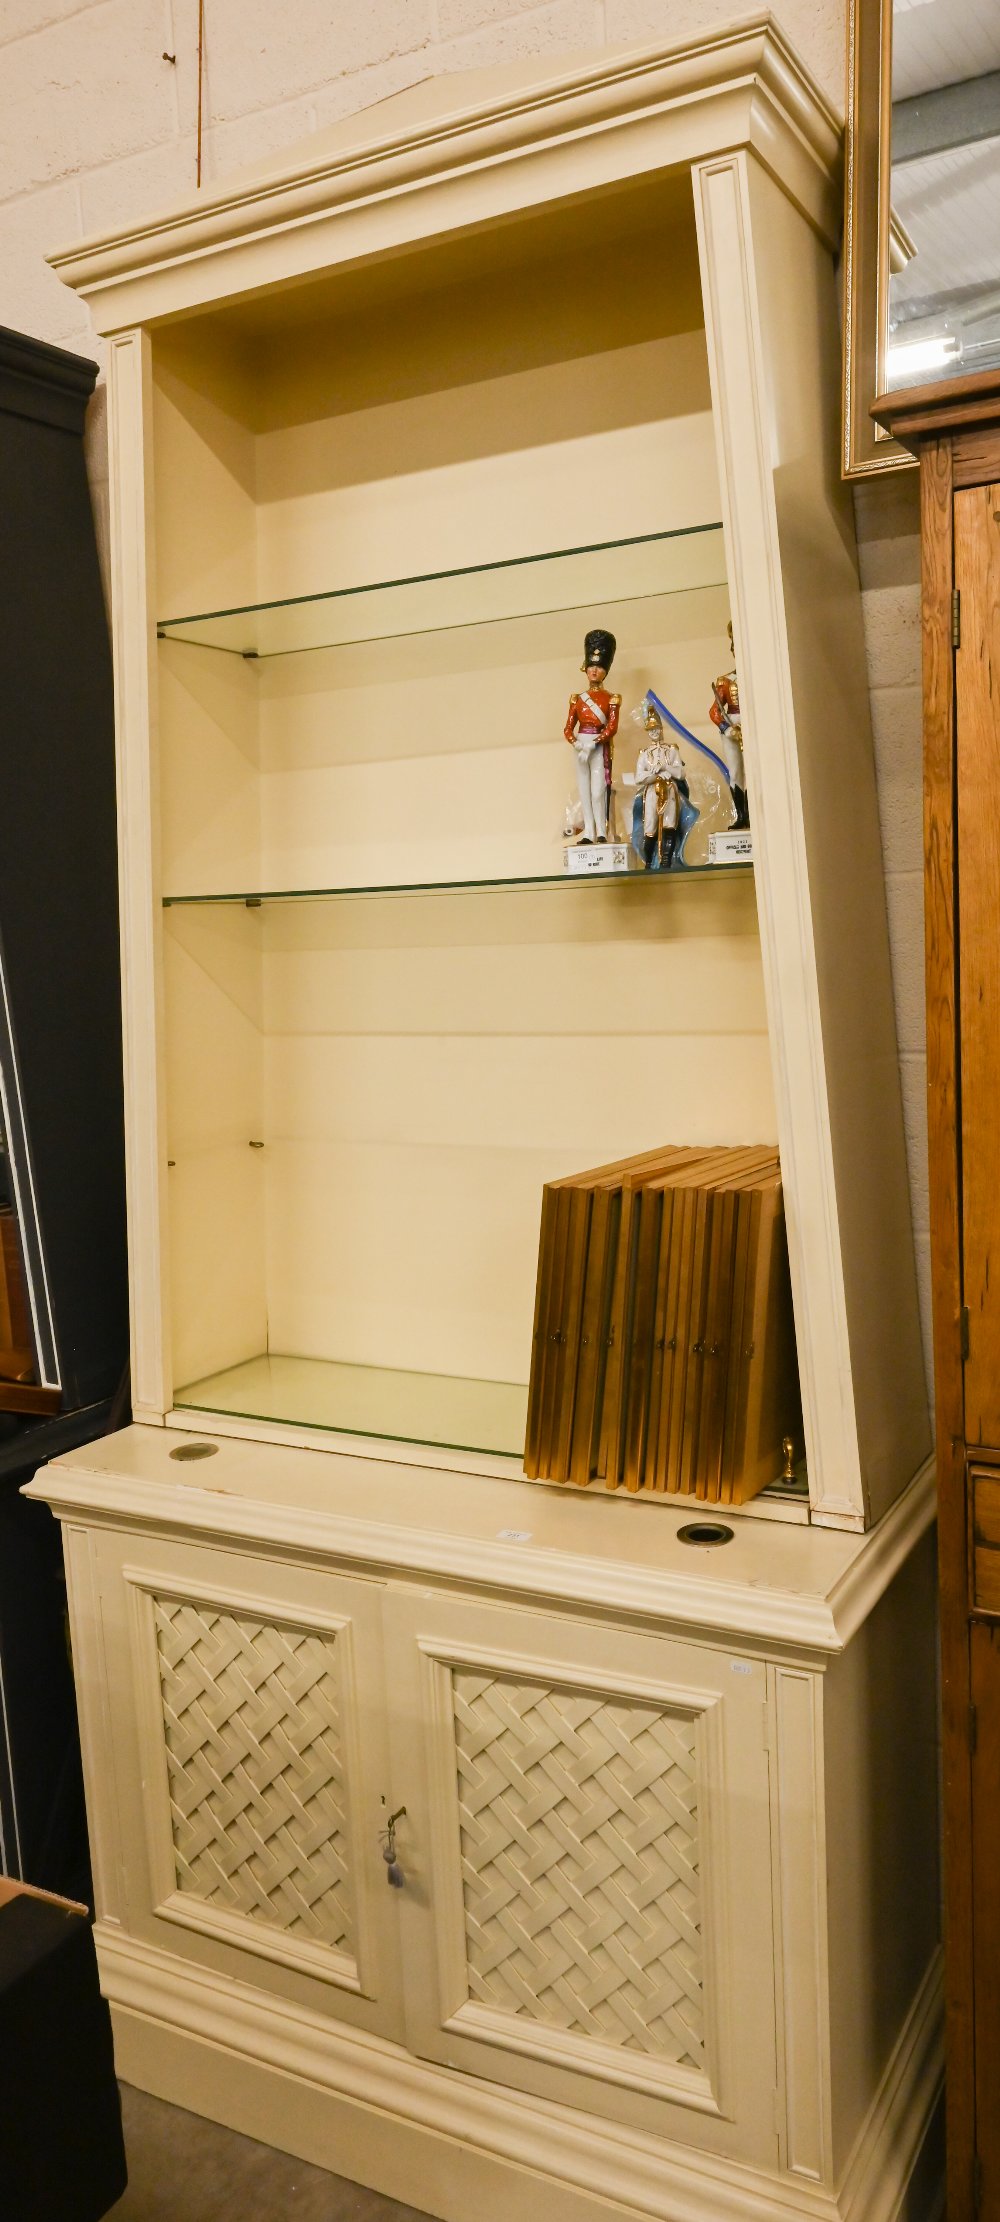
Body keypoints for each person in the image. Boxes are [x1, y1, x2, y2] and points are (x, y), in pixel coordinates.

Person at [564, 627, 621, 842]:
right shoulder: (577, 699)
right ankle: (588, 830)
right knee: (584, 790)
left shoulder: (612, 698)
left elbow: (612, 727)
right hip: (581, 743)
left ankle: (601, 831)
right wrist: (576, 743)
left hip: (598, 745)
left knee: (598, 791)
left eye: (599, 667)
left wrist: (593, 743)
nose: (594, 671)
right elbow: (568, 728)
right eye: (591, 666)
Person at [708, 619, 749, 829]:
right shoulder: (725, 680)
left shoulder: (755, 678)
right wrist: (727, 728)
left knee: (754, 771)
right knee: (736, 772)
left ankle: (753, 814)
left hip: (752, 725)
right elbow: (715, 711)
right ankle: (741, 815)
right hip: (732, 726)